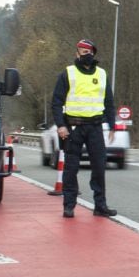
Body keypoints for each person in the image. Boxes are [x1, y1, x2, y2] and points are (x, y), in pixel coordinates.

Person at [50, 39, 118, 219]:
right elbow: (56, 102)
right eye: (81, 51)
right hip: (73, 127)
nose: (84, 55)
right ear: (76, 53)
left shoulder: (102, 74)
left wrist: (112, 125)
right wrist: (61, 126)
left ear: (93, 54)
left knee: (99, 167)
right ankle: (69, 206)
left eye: (87, 52)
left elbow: (109, 103)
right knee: (71, 168)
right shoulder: (67, 73)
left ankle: (100, 206)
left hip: (95, 127)